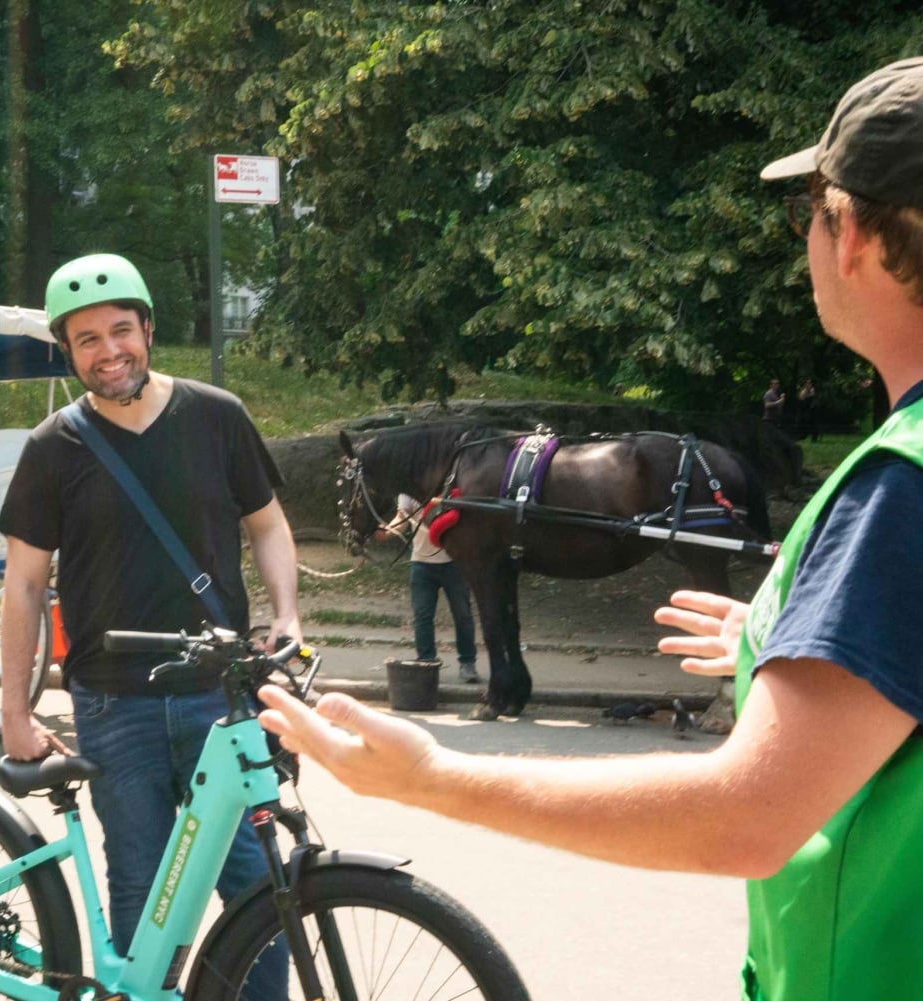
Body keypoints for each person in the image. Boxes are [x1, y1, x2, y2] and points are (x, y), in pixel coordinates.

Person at [258, 58, 923, 1001]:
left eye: (803, 215)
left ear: (849, 233)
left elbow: (745, 818)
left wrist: (434, 778)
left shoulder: (899, 487)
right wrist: (808, 634)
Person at [0, 253, 301, 990]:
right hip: (113, 702)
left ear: (149, 330)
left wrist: (288, 614)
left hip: (218, 696)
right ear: (68, 352)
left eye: (121, 331)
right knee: (142, 886)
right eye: (87, 340)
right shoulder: (52, 448)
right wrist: (14, 710)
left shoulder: (217, 416)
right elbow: (24, 585)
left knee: (257, 886)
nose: (109, 352)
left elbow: (267, 524)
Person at [382, 494, 478, 683]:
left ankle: (468, 663)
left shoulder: (451, 486)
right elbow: (402, 518)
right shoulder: (409, 491)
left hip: (454, 563)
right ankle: (426, 664)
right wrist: (386, 531)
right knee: (422, 617)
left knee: (463, 615)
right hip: (421, 564)